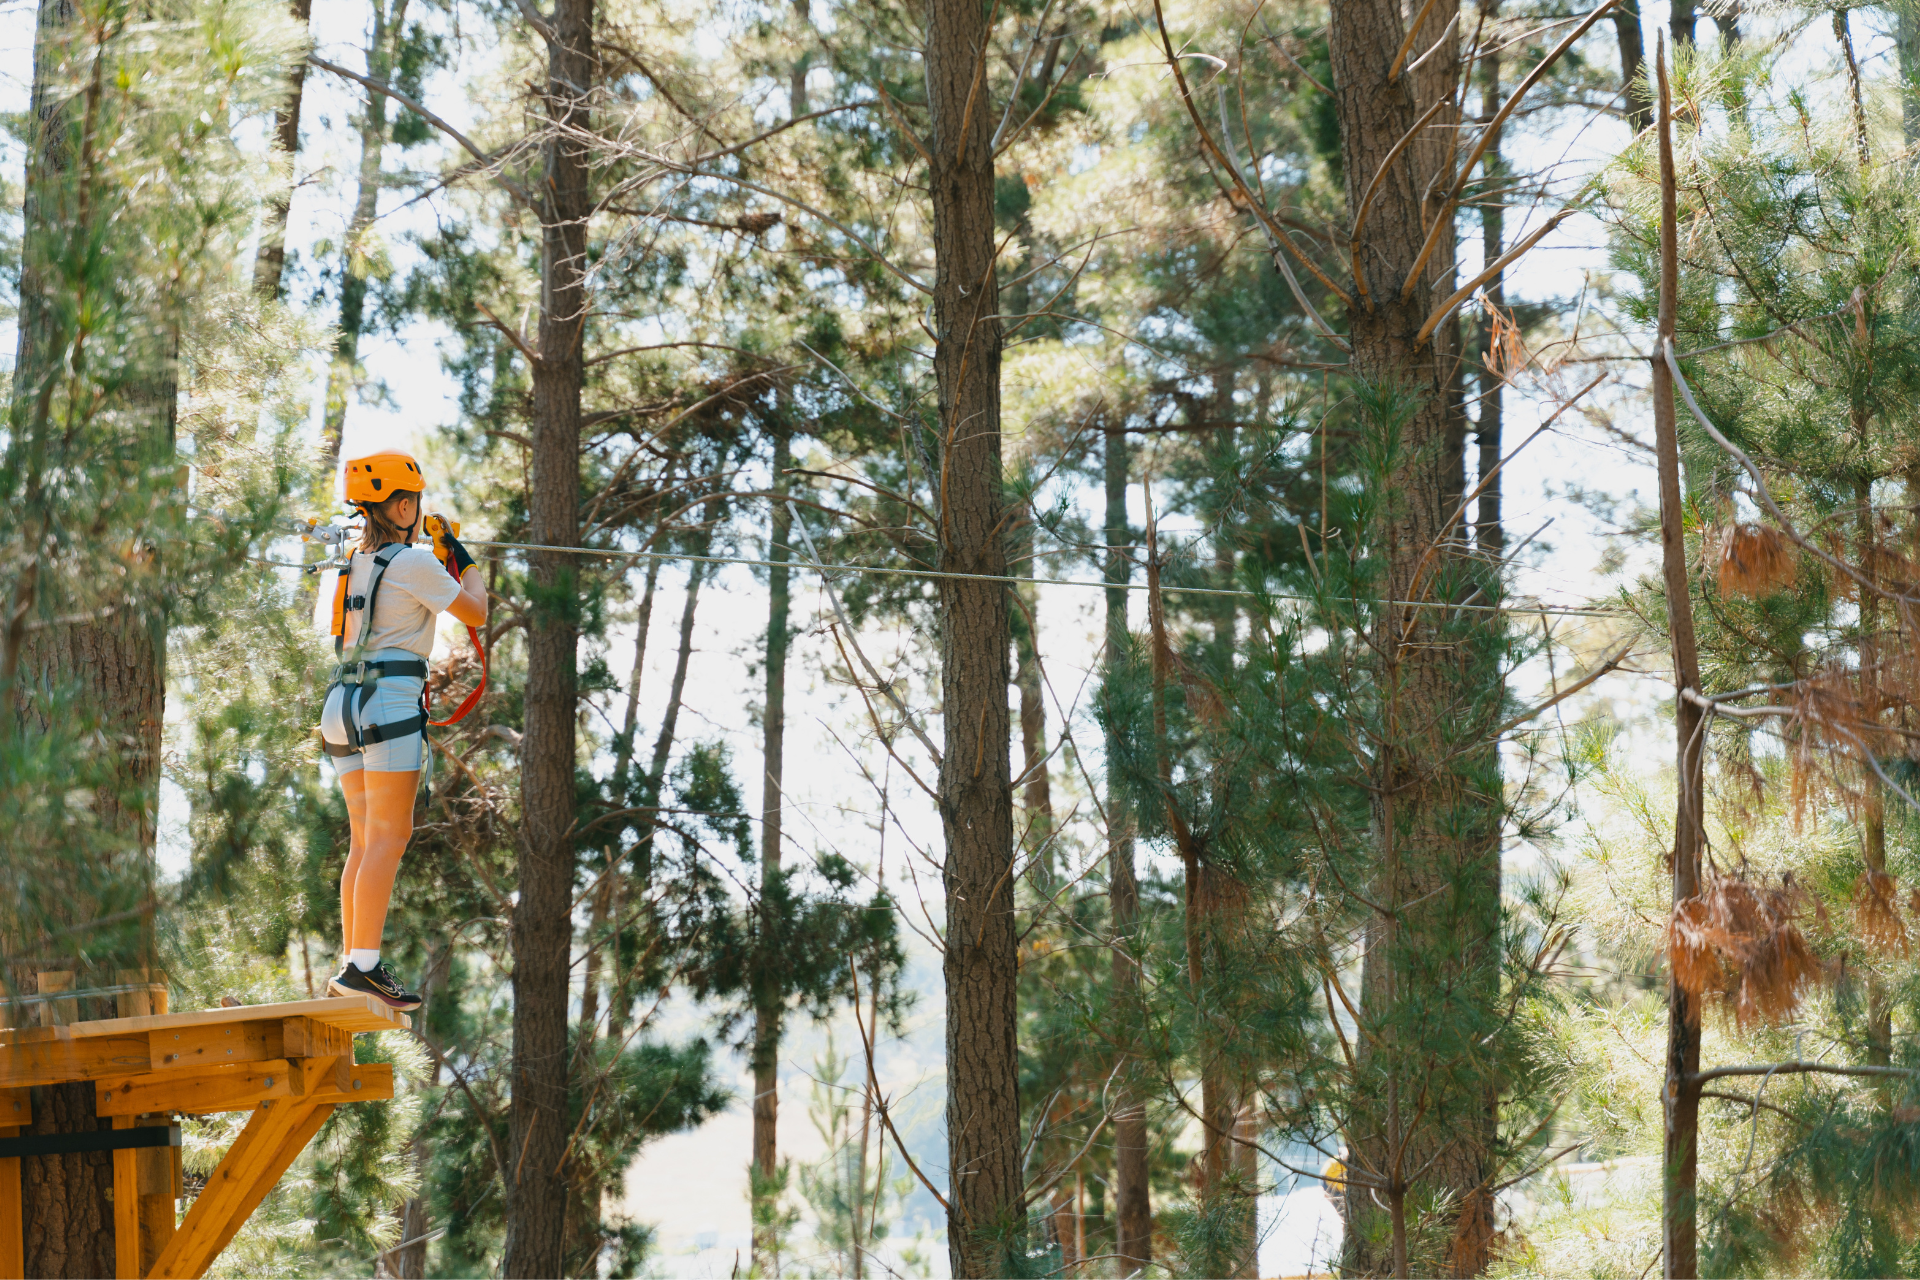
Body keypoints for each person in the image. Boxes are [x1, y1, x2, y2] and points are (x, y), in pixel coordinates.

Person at [319, 450, 486, 1011]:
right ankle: (362, 967)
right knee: (390, 837)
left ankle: (354, 962)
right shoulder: (414, 562)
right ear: (402, 505)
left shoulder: (355, 560)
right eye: (411, 500)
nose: (416, 508)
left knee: (365, 840)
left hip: (341, 703)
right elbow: (477, 611)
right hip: (387, 704)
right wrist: (459, 555)